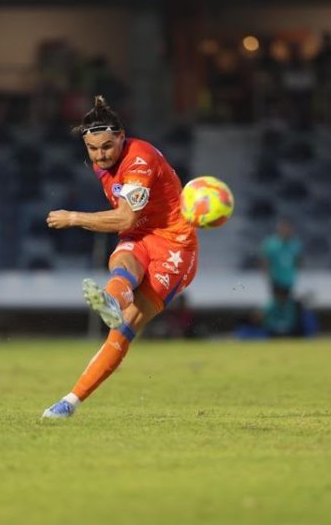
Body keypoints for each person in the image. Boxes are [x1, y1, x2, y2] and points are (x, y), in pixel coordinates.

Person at [41, 95, 199, 418]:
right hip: (141, 236)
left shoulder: (139, 160)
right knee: (122, 263)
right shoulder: (101, 164)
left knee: (124, 329)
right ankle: (111, 302)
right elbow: (131, 226)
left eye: (107, 147)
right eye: (93, 149)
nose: (100, 155)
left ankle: (74, 398)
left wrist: (73, 218)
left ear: (122, 137)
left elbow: (125, 217)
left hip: (175, 246)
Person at [260, 219, 302, 303]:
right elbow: (265, 262)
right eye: (284, 228)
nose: (286, 231)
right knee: (276, 302)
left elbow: (297, 261)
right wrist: (268, 277)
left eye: (288, 229)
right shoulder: (271, 244)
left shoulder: (295, 244)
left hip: (289, 280)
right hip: (276, 279)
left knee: (288, 303)